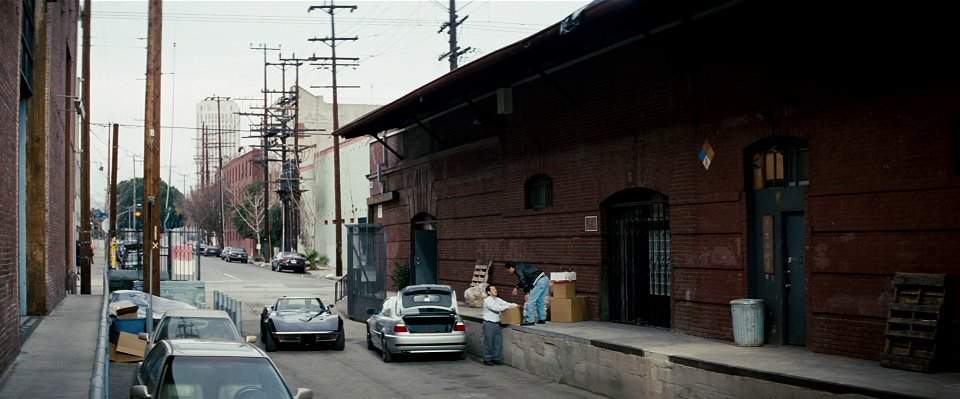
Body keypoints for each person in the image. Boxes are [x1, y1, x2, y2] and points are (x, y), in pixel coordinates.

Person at [482, 285, 518, 366]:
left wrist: (514, 305)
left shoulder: (498, 299)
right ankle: (487, 359)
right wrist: (508, 306)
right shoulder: (487, 300)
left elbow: (507, 303)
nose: (495, 290)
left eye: (495, 289)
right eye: (493, 289)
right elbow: (496, 308)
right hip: (489, 323)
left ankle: (496, 358)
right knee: (488, 342)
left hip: (497, 324)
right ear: (488, 292)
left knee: (498, 342)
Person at [505, 261, 548, 325]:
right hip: (545, 279)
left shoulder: (518, 269)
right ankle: (542, 319)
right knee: (540, 301)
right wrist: (516, 287)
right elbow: (524, 279)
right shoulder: (520, 266)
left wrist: (527, 292)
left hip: (539, 282)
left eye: (508, 270)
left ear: (511, 267)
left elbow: (523, 280)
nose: (509, 272)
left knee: (530, 301)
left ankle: (530, 320)